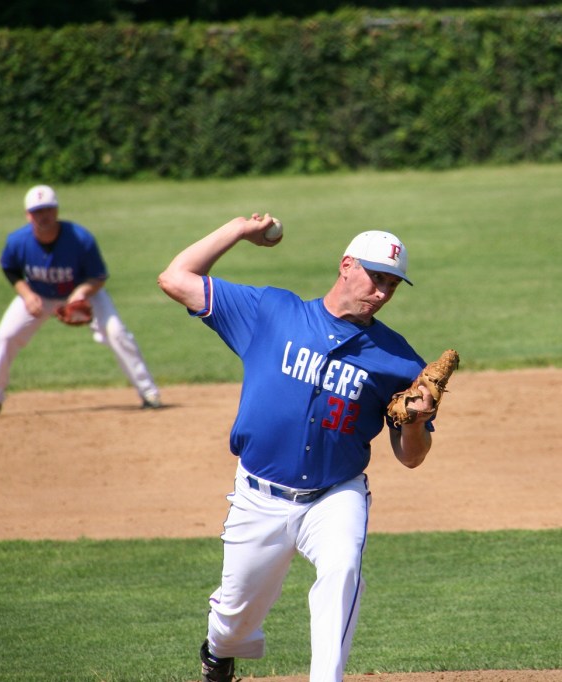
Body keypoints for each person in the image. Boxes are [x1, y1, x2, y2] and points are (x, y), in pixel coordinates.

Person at [157, 213, 437, 682]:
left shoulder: (400, 360)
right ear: (347, 265)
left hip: (335, 494)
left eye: (392, 284)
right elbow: (175, 278)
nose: (383, 292)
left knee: (344, 569)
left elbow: (412, 456)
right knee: (233, 623)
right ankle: (219, 652)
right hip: (258, 497)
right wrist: (237, 231)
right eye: (376, 277)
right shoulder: (270, 313)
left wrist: (417, 421)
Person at [0, 185, 161, 417]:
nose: (43, 216)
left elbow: (99, 276)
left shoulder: (80, 238)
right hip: (39, 295)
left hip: (82, 294)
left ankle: (149, 393)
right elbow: (10, 270)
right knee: (5, 336)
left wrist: (81, 291)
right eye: (37, 211)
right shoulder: (17, 241)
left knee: (116, 332)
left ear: (57, 211)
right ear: (27, 215)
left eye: (48, 210)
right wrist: (27, 295)